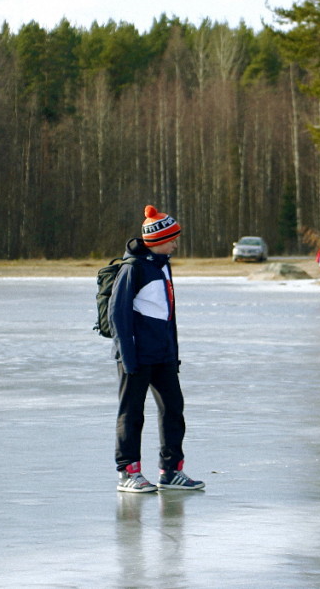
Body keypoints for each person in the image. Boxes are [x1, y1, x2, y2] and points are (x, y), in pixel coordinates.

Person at [109, 205, 204, 493]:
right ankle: (128, 472)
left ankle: (171, 470)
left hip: (163, 355)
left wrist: (172, 353)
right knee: (132, 413)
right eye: (173, 239)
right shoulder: (133, 268)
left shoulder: (163, 265)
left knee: (173, 408)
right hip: (136, 355)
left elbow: (167, 314)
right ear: (159, 240)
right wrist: (127, 355)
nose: (176, 243)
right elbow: (117, 313)